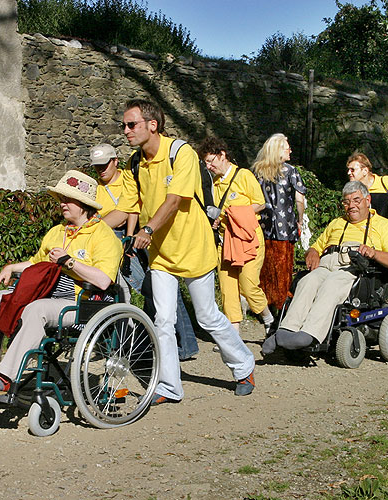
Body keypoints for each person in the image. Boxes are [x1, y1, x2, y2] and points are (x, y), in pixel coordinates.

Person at [104, 99, 256, 402]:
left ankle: (243, 365)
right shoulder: (136, 162)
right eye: (124, 125)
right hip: (161, 256)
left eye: (130, 124)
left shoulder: (180, 154)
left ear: (152, 125)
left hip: (194, 249)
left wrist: (147, 230)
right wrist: (92, 226)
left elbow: (174, 201)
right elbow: (128, 207)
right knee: (163, 319)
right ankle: (169, 386)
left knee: (208, 316)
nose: (125, 131)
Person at [0, 170, 122, 396]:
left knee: (36, 309)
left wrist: (70, 263)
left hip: (79, 303)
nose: (62, 204)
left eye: (68, 199)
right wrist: (11, 267)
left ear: (84, 204)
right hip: (46, 295)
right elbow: (37, 263)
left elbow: (104, 281)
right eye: (61, 199)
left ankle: (5, 377)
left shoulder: (104, 236)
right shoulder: (57, 232)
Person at [262, 181, 388, 354]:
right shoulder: (337, 222)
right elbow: (316, 246)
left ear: (368, 200)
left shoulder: (384, 226)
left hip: (353, 269)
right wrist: (313, 252)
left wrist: (374, 253)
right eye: (346, 202)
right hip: (326, 263)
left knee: (332, 284)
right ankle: (286, 331)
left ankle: (310, 334)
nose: (351, 206)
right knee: (307, 281)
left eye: (356, 200)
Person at [91, 143, 199, 360]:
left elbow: (131, 209)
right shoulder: (96, 188)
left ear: (114, 161)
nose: (100, 170)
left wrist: (128, 236)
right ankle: (129, 343)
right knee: (121, 293)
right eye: (96, 167)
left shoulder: (129, 176)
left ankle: (183, 343)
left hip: (136, 239)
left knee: (155, 290)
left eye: (104, 165)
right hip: (109, 241)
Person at [198, 137, 274, 335]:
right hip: (225, 241)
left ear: (222, 155)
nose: (209, 166)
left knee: (248, 285)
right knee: (227, 289)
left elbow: (260, 203)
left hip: (248, 239)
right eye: (206, 163)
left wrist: (231, 213)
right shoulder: (214, 184)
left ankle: (267, 317)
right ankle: (234, 335)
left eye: (211, 161)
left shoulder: (244, 175)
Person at [251, 133, 307, 313]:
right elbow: (299, 199)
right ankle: (282, 306)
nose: (290, 150)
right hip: (286, 226)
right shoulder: (291, 171)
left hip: (263, 226)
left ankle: (264, 304)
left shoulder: (258, 170)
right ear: (278, 150)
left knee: (265, 267)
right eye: (286, 147)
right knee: (283, 268)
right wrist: (300, 220)